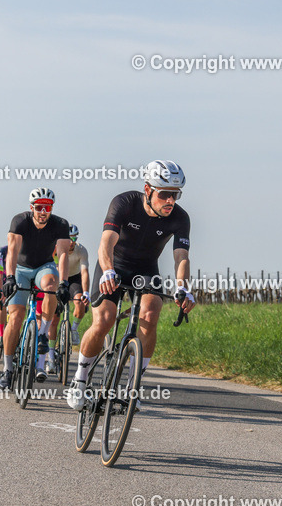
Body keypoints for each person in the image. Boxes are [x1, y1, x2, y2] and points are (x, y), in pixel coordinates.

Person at [66, 160, 196, 410]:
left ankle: (133, 387)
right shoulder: (124, 203)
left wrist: (183, 288)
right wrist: (108, 272)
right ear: (148, 190)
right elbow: (106, 243)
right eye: (165, 194)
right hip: (113, 265)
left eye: (176, 194)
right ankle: (80, 382)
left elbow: (181, 256)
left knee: (151, 314)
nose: (171, 201)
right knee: (104, 319)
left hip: (146, 269)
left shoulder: (180, 218)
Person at [0, 188, 71, 388]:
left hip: (44, 266)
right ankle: (7, 368)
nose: (43, 211)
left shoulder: (61, 224)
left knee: (50, 285)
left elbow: (63, 254)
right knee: (16, 317)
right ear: (32, 208)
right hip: (20, 269)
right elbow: (12, 251)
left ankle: (41, 334)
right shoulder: (20, 221)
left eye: (47, 207)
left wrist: (64, 283)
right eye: (39, 207)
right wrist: (10, 277)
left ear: (51, 208)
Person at [46, 224, 90, 374]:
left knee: (80, 304)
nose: (71, 241)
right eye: (68, 238)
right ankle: (51, 357)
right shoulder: (55, 249)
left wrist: (86, 292)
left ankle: (73, 330)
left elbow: (84, 273)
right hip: (59, 280)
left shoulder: (81, 250)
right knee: (54, 320)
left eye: (74, 238)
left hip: (75, 279)